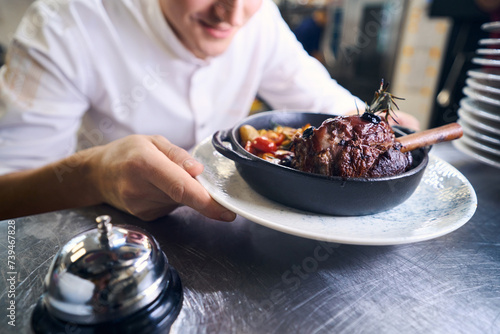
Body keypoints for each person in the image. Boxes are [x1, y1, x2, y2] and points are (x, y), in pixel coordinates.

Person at [0, 0, 419, 221]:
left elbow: (327, 103)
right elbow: (7, 195)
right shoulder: (64, 23)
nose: (232, 14)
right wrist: (95, 174)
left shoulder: (260, 21)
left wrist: (377, 128)